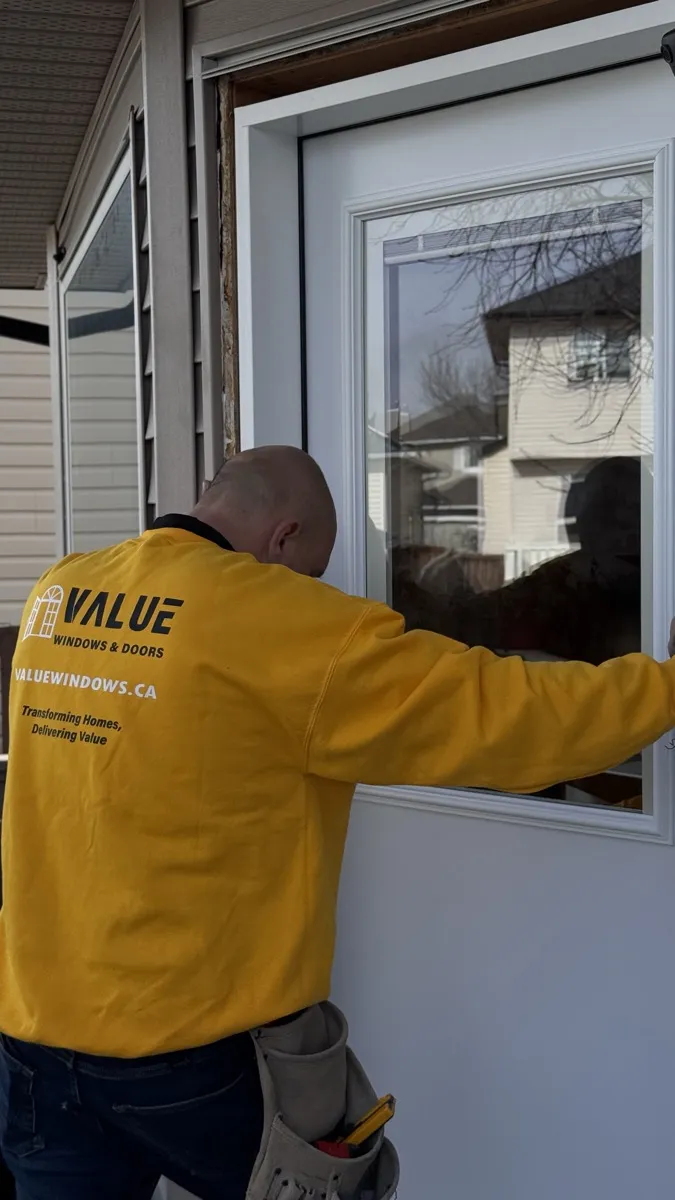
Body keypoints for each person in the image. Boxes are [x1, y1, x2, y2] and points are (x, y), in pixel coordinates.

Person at [1, 444, 675, 1200]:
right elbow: (500, 716)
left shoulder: (61, 590)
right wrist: (663, 687)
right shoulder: (272, 617)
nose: (311, 586)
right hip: (192, 1049)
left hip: (35, 1032)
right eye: (312, 569)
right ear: (284, 538)